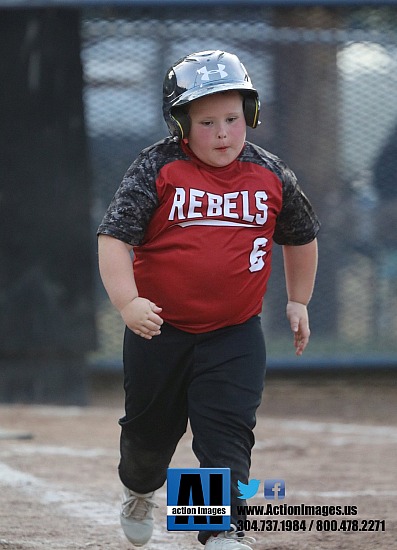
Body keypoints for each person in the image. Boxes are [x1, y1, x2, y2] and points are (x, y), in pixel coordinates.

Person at [97, 50, 320, 550]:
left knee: (225, 434)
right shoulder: (157, 168)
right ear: (180, 124)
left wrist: (298, 301)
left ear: (251, 117)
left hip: (234, 331)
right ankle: (139, 488)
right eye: (207, 122)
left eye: (233, 119)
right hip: (159, 330)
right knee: (148, 439)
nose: (223, 133)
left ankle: (217, 529)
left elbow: (301, 236)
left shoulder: (269, 173)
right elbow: (114, 238)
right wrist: (128, 303)